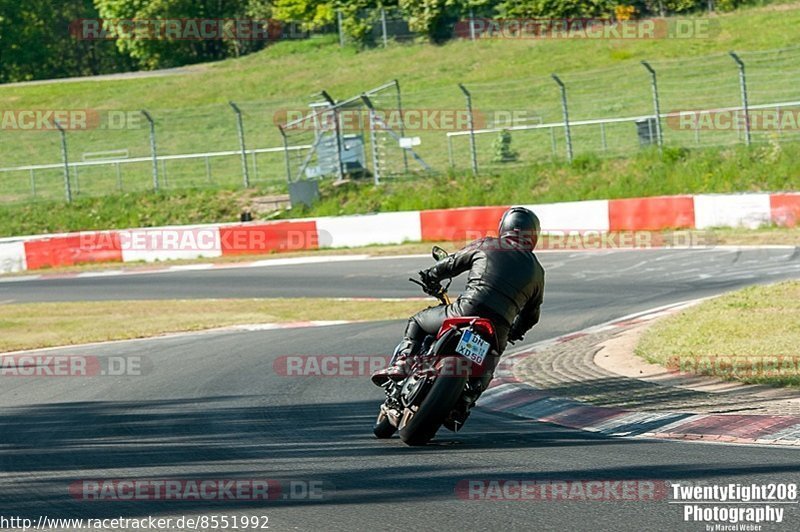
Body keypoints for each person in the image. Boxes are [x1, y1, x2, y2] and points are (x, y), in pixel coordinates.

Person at [371, 206, 545, 386]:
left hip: (467, 310)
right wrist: (514, 333)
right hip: (499, 329)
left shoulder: (487, 244)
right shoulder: (538, 272)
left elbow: (452, 263)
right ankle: (469, 398)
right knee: (484, 374)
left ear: (505, 227)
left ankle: (403, 363)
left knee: (418, 321)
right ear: (533, 236)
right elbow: (531, 316)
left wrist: (430, 276)